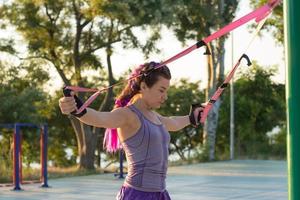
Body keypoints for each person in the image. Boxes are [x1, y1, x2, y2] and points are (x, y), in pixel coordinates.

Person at [59, 61, 204, 200]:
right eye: (161, 90)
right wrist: (77, 110)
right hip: (137, 195)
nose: (165, 96)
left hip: (160, 194)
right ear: (143, 86)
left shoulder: (155, 116)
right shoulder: (128, 114)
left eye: (166, 91)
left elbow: (172, 122)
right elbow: (101, 118)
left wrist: (192, 117)